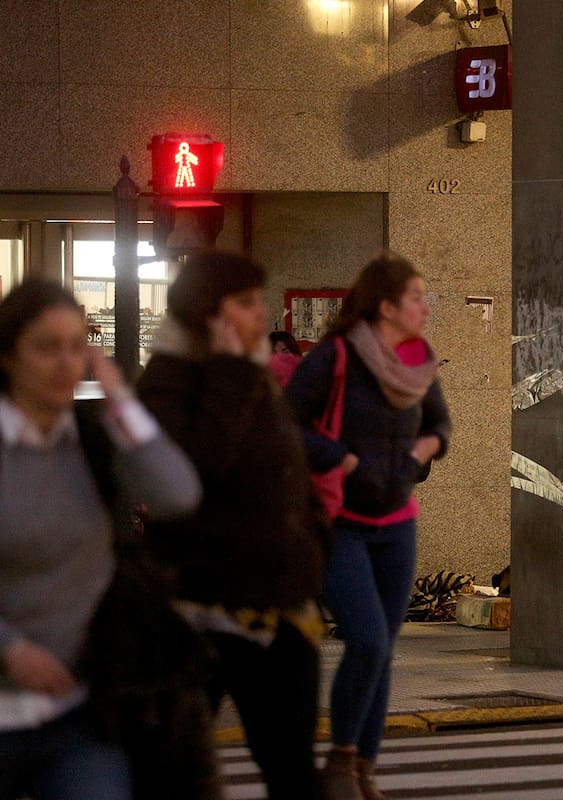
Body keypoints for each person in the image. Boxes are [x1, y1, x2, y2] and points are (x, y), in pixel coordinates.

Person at [136, 251, 329, 800]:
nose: (258, 314)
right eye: (244, 303)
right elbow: (193, 474)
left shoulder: (250, 372)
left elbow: (287, 467)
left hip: (282, 605)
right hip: (201, 610)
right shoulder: (168, 381)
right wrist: (227, 371)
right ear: (207, 313)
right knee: (177, 775)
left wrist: (314, 548)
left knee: (292, 769)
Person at [0, 280, 200, 800]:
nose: (66, 363)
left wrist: (121, 400)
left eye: (77, 345)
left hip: (81, 712)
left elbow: (177, 494)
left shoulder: (90, 440)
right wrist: (10, 650)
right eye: (47, 347)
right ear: (7, 356)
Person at [286, 252, 451, 800]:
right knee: (368, 640)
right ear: (386, 306)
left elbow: (439, 424)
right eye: (416, 298)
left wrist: (420, 451)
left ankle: (362, 768)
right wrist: (343, 459)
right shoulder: (335, 358)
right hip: (341, 523)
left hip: (397, 522)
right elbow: (287, 423)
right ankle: (340, 759)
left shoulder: (418, 361)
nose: (425, 308)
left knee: (385, 647)